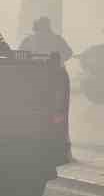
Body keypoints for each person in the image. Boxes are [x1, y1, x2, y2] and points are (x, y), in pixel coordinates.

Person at [21, 17, 75, 161]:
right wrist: (58, 61)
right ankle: (60, 150)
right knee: (59, 114)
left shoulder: (29, 40)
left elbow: (21, 56)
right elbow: (69, 53)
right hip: (57, 78)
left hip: (36, 80)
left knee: (38, 114)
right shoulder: (57, 39)